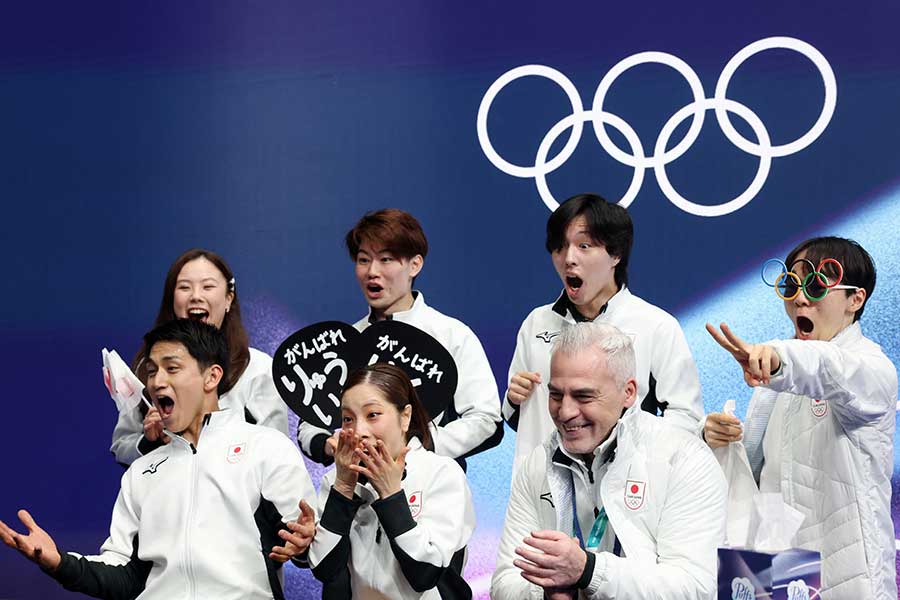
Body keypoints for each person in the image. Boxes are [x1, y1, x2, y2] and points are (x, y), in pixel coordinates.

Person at [0, 318, 317, 599]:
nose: (156, 381)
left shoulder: (266, 448)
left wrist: (305, 545)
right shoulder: (141, 473)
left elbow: (307, 546)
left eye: (172, 368)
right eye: (151, 371)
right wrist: (59, 562)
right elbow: (124, 575)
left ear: (212, 377)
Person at [704, 236, 897, 599]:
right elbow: (753, 479)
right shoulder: (774, 381)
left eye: (816, 285)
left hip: (849, 580)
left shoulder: (872, 370)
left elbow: (827, 369)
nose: (800, 298)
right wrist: (718, 441)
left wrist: (779, 358)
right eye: (792, 285)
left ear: (856, 299)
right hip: (778, 573)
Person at [492, 322, 726, 600]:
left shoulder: (683, 459)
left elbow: (697, 587)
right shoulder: (538, 464)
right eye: (556, 394)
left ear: (628, 392)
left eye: (583, 396)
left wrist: (588, 571)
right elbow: (504, 583)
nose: (565, 412)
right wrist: (544, 590)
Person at [504, 194, 703, 472]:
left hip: (625, 492)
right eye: (560, 247)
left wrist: (642, 465)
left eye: (584, 246)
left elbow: (685, 417)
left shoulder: (655, 325)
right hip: (541, 489)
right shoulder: (537, 322)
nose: (569, 259)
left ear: (615, 254)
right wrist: (513, 399)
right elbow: (515, 418)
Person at [298, 209, 502, 470]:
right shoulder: (346, 342)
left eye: (386, 260)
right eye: (363, 260)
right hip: (357, 495)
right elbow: (310, 423)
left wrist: (417, 448)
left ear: (414, 265)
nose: (372, 271)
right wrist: (330, 444)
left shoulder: (451, 334)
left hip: (431, 491)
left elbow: (486, 420)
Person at [309, 363, 474, 599]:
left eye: (372, 415)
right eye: (348, 419)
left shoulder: (442, 473)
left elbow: (425, 573)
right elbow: (324, 568)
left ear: (405, 416)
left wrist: (391, 494)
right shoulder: (338, 480)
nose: (359, 430)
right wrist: (343, 488)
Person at [111, 248, 288, 465]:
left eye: (208, 286)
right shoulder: (149, 368)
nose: (196, 296)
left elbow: (276, 451)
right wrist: (150, 442)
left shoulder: (258, 369)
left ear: (228, 299)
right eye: (184, 287)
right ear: (172, 300)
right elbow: (121, 446)